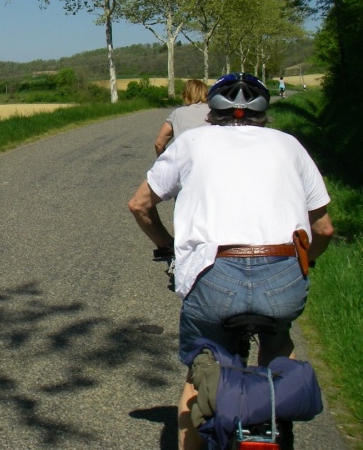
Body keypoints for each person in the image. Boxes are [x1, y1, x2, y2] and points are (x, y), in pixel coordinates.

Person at [127, 73, 334, 450]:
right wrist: (306, 262)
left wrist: (169, 247)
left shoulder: (190, 142)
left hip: (212, 277)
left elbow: (139, 205)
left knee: (203, 369)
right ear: (264, 115)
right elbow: (323, 229)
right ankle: (279, 412)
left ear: (211, 113)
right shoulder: (289, 145)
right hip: (283, 277)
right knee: (278, 342)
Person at [154, 79, 211, 157]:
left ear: (186, 95)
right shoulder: (215, 112)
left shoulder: (177, 113)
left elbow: (159, 144)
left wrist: (163, 160)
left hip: (183, 162)